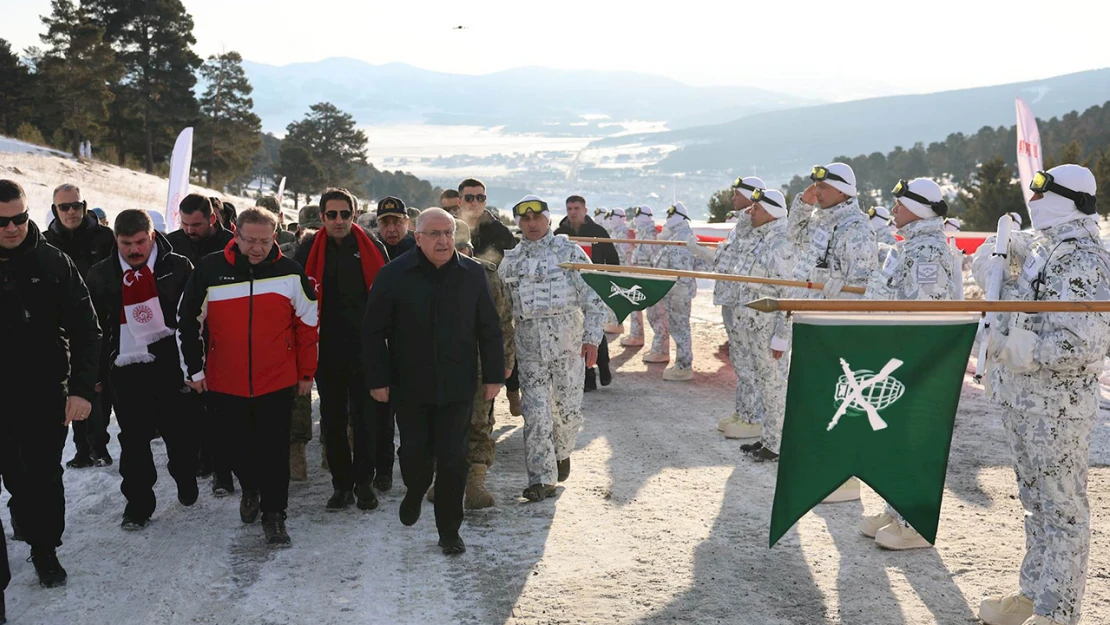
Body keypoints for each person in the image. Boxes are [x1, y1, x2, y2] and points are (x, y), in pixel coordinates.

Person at [973, 165, 1109, 625]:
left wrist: (1021, 350)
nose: (1033, 198)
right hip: (1025, 399)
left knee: (1063, 510)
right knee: (1036, 504)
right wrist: (994, 263)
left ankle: (1058, 612)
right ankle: (1034, 596)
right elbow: (1012, 292)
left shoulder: (1082, 256)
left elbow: (1084, 342)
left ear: (1070, 199)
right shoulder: (1044, 247)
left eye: (1043, 189)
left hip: (1058, 407)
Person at [363, 208, 505, 555]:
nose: (443, 241)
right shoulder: (393, 274)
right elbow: (371, 332)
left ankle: (449, 531)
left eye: (448, 234)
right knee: (414, 453)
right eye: (435, 234)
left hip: (458, 385)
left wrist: (494, 376)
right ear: (418, 236)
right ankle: (415, 489)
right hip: (409, 384)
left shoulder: (472, 274)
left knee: (454, 458)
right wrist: (378, 378)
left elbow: (489, 328)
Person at [177, 207, 318, 547]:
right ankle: (250, 487)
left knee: (274, 450)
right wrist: (193, 370)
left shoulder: (290, 272)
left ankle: (275, 514)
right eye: (250, 240)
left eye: (265, 241)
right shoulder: (210, 270)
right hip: (226, 380)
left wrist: (305, 372)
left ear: (276, 236)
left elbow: (309, 325)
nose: (257, 248)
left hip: (277, 380)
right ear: (235, 235)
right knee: (236, 447)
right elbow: (187, 321)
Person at [0, 179, 101, 589]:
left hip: (45, 391)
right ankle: (25, 518)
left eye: (20, 218)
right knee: (16, 476)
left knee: (43, 473)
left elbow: (87, 331)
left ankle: (46, 550)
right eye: (3, 221)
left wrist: (79, 389)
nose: (12, 227)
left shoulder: (54, 262)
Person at [855, 178, 959, 549]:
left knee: (914, 439)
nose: (893, 209)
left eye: (900, 203)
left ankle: (913, 520)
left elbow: (923, 314)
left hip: (915, 359)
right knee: (898, 439)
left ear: (918, 208)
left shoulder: (927, 249)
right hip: (896, 353)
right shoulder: (910, 245)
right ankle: (896, 507)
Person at [86, 210, 200, 529]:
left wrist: (195, 365)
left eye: (140, 242)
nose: (134, 250)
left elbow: (193, 319)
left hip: (170, 363)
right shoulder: (101, 275)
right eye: (126, 244)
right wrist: (95, 375)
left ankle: (185, 475)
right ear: (116, 241)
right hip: (126, 367)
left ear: (152, 237)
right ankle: (138, 505)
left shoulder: (177, 267)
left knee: (181, 433)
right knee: (133, 440)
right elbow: (92, 329)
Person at [498, 196, 605, 501]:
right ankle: (541, 478)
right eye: (525, 220)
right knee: (536, 414)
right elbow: (502, 312)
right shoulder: (512, 261)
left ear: (547, 219)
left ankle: (561, 451)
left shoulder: (569, 252)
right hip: (530, 350)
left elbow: (594, 297)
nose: (532, 225)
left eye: (537, 219)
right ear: (519, 223)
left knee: (568, 412)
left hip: (568, 348)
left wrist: (592, 338)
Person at [293, 188, 388, 511]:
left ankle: (364, 483)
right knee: (332, 421)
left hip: (365, 349)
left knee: (365, 421)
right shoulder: (307, 252)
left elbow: (388, 299)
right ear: (321, 217)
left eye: (345, 214)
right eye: (331, 215)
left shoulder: (372, 248)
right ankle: (341, 485)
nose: (338, 220)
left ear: (354, 214)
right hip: (326, 351)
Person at [788, 163, 877, 503]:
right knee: (822, 399)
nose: (817, 192)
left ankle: (845, 477)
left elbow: (865, 285)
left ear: (842, 190)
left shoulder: (855, 228)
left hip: (841, 329)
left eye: (822, 187)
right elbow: (792, 237)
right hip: (816, 324)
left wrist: (841, 290)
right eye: (814, 187)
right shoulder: (823, 221)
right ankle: (828, 468)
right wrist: (802, 201)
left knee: (842, 400)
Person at [709, 188, 794, 452]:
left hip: (769, 333)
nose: (750, 212)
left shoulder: (782, 243)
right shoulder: (762, 239)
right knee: (764, 387)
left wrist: (782, 336)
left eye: (756, 208)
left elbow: (789, 294)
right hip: (754, 329)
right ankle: (769, 439)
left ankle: (778, 444)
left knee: (774, 388)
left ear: (769, 212)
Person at [166, 193, 237, 490]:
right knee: (190, 407)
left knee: (220, 409)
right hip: (183, 334)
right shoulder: (172, 243)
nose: (189, 230)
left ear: (212, 219)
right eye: (184, 224)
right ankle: (200, 458)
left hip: (223, 335)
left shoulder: (232, 244)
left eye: (196, 224)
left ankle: (223, 472)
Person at [42, 183, 115, 468]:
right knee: (72, 387)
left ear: (84, 206)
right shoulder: (45, 242)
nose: (71, 211)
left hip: (101, 323)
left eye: (76, 205)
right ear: (54, 210)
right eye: (64, 207)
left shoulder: (104, 237)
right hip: (61, 328)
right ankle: (82, 448)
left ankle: (99, 446)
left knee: (98, 388)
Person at [693, 176, 765, 432]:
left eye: (737, 194)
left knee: (749, 361)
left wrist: (701, 251)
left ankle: (753, 417)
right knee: (739, 359)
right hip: (731, 299)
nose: (733, 198)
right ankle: (744, 411)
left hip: (742, 302)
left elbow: (729, 263)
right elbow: (724, 259)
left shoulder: (754, 226)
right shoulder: (741, 225)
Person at [452, 219, 515, 509]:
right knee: (442, 424)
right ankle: (446, 478)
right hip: (439, 366)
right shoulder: (424, 275)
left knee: (479, 423)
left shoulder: (488, 276)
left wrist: (505, 363)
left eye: (462, 248)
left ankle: (475, 482)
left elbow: (503, 323)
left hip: (479, 365)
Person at [554, 195, 617, 391]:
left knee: (596, 328)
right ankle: (588, 376)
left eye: (576, 208)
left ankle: (603, 365)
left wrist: (608, 282)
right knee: (576, 332)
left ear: (585, 210)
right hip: (569, 291)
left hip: (594, 286)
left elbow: (613, 260)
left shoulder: (598, 232)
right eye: (569, 208)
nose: (573, 212)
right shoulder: (559, 234)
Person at [653, 202, 706, 381]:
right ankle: (681, 363)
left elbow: (681, 267)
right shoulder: (676, 235)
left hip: (678, 291)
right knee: (678, 327)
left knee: (680, 328)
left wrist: (679, 290)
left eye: (670, 215)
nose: (667, 219)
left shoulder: (682, 237)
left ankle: (683, 366)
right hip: (676, 290)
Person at [621, 205, 669, 350]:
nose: (635, 218)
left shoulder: (650, 236)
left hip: (652, 282)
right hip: (641, 280)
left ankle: (661, 350)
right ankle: (645, 341)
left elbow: (657, 261)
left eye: (638, 215)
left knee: (657, 316)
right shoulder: (641, 234)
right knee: (650, 314)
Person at [457, 178, 517, 264]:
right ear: (459, 202)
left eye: (480, 198)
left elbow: (513, 261)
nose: (475, 203)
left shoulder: (499, 232)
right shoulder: (449, 228)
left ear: (485, 202)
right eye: (469, 198)